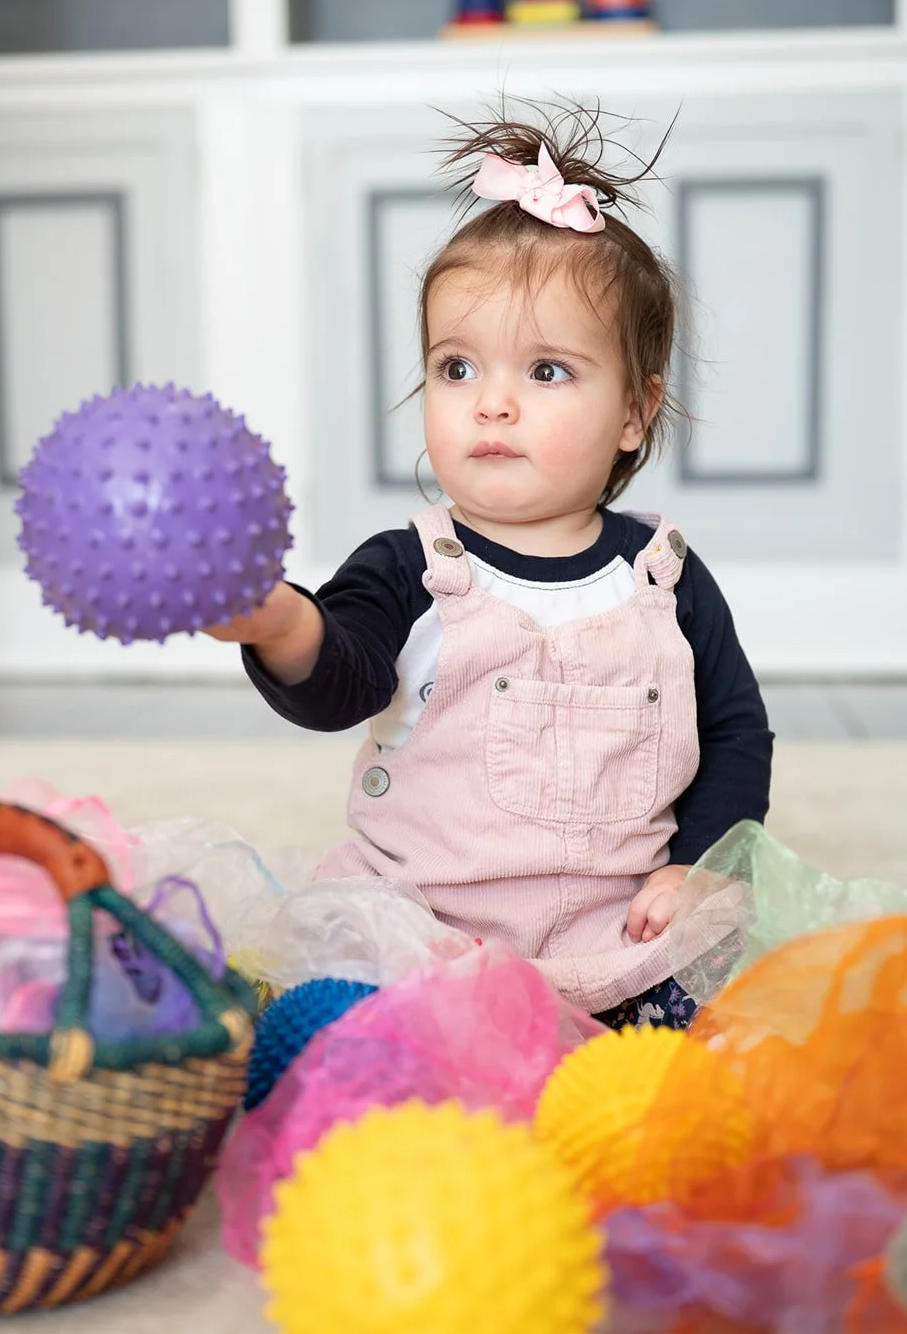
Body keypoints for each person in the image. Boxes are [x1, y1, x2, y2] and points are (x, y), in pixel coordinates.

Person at [208, 103, 773, 1028]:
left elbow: (736, 735)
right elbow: (341, 680)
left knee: (709, 1005)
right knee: (329, 1010)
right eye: (456, 368)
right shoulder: (411, 566)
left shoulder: (664, 581)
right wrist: (279, 624)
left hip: (612, 933)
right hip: (424, 926)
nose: (491, 406)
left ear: (635, 410)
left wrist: (691, 868)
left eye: (545, 372)